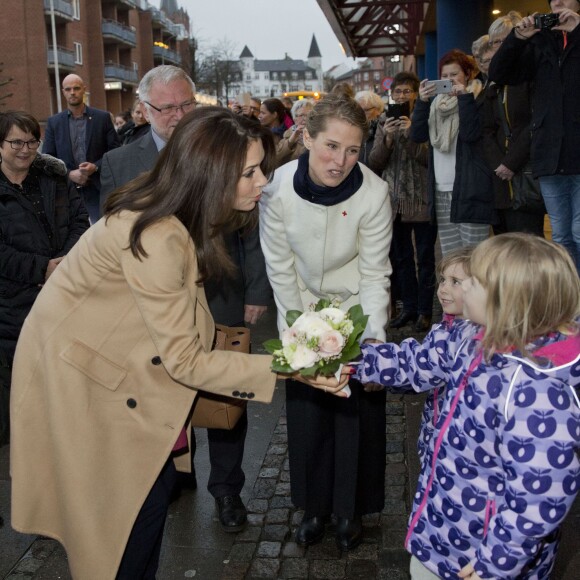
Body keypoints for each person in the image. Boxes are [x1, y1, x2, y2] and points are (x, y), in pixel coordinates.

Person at [10, 107, 349, 580]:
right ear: (210, 173)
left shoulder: (176, 216)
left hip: (108, 375)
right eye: (250, 172)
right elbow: (186, 360)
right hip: (84, 389)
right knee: (122, 531)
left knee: (149, 502)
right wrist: (292, 365)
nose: (262, 183)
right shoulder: (159, 233)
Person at [101, 65, 272, 534]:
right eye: (167, 107)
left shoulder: (222, 149)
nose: (178, 115)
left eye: (186, 104)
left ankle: (228, 489)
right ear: (144, 110)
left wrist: (256, 289)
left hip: (219, 287)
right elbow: (116, 243)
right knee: (166, 384)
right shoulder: (120, 163)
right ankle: (174, 471)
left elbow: (249, 229)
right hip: (153, 303)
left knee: (224, 391)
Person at [351, 233, 580, 580]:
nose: (460, 288)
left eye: (472, 281)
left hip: (481, 554)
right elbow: (416, 363)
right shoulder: (467, 334)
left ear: (506, 299)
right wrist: (348, 358)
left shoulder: (538, 393)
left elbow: (537, 499)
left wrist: (495, 564)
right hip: (444, 526)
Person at [260, 93, 392, 552]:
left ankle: (350, 511)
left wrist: (373, 337)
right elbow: (279, 268)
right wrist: (299, 337)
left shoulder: (374, 192)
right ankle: (314, 507)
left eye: (353, 150)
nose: (341, 161)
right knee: (309, 413)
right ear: (306, 136)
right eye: (331, 146)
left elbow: (376, 271)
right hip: (301, 305)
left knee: (354, 411)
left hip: (356, 304)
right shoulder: (275, 188)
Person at [0, 111, 89, 446]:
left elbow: (81, 221)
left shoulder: (55, 178)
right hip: (14, 307)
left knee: (67, 387)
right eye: (16, 142)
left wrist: (63, 264)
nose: (25, 149)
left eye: (32, 141)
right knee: (24, 399)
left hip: (64, 298)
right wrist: (43, 269)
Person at [488, 0, 580, 272]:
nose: (557, 3)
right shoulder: (540, 42)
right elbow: (498, 73)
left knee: (578, 232)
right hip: (549, 157)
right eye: (553, 0)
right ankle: (572, 303)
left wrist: (577, 31)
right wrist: (517, 39)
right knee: (561, 236)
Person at [368, 72, 437, 332]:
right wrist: (386, 138)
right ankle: (408, 308)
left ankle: (425, 311)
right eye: (397, 92)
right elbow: (375, 162)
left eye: (407, 92)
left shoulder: (425, 119)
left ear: (416, 95)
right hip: (393, 202)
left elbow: (428, 160)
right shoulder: (383, 121)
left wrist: (409, 134)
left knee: (426, 258)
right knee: (401, 259)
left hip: (421, 199)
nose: (401, 96)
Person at [411, 49, 493, 256]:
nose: (449, 80)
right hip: (441, 190)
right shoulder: (435, 106)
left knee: (473, 256)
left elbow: (471, 134)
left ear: (467, 75)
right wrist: (421, 102)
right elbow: (417, 135)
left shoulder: (477, 100)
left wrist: (464, 97)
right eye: (444, 76)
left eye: (454, 74)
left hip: (469, 190)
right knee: (451, 256)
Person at [482, 11, 545, 237]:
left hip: (525, 172)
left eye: (504, 39)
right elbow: (486, 130)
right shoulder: (493, 82)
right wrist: (499, 164)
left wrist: (511, 162)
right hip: (500, 179)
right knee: (504, 248)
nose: (500, 46)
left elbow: (536, 121)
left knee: (529, 245)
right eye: (495, 42)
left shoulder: (531, 74)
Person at [43, 74, 120, 223]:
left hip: (98, 189)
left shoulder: (102, 118)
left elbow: (115, 151)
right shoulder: (54, 123)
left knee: (101, 233)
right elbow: (47, 158)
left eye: (76, 88)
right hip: (67, 191)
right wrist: (69, 174)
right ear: (63, 92)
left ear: (84, 89)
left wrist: (95, 167)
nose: (72, 92)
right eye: (68, 89)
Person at [275, 98, 314, 166]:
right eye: (301, 115)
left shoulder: (319, 134)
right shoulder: (288, 135)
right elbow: (276, 157)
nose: (305, 118)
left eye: (308, 115)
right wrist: (291, 141)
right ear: (294, 118)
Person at [355, 91, 384, 167]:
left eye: (366, 110)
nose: (361, 114)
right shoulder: (353, 130)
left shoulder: (385, 129)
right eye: (358, 110)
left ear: (378, 110)